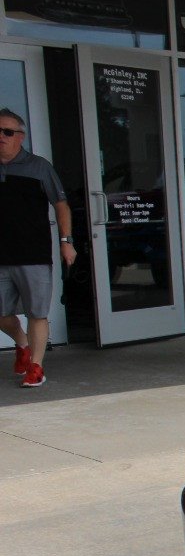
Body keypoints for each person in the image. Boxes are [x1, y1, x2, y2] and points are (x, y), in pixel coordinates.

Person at [0, 108, 76, 388]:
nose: (1, 137)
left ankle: (36, 366)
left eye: (7, 132)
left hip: (33, 254)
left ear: (20, 136)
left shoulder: (39, 167)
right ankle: (22, 344)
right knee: (3, 315)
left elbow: (61, 205)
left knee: (37, 313)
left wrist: (66, 242)